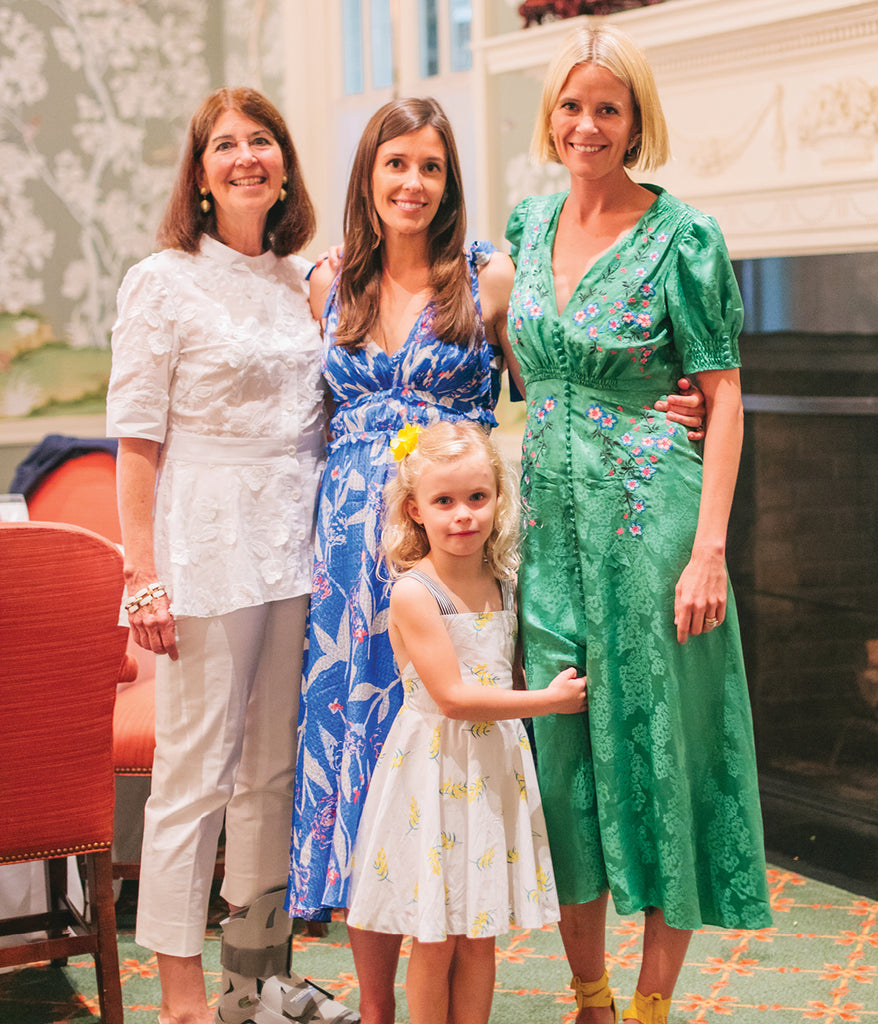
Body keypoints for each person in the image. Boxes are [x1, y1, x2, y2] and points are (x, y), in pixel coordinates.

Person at [286, 97, 707, 1024]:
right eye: (395, 163)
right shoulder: (326, 284)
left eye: (431, 166)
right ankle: (377, 1007)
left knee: (442, 773)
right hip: (350, 569)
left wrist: (680, 403)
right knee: (362, 773)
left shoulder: (489, 279)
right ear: (368, 176)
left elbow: (556, 378)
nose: (412, 182)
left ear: (451, 182)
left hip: (457, 558)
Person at [504, 24, 773, 1024]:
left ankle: (651, 1005)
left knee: (665, 749)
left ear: (635, 121)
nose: (587, 124)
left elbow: (724, 392)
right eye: (572, 105)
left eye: (607, 108)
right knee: (563, 757)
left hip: (652, 532)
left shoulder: (683, 235)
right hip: (546, 541)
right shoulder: (525, 227)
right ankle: (591, 995)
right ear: (552, 115)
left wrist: (709, 552)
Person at [107, 87, 354, 1024]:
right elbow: (135, 438)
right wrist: (142, 575)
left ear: (285, 165)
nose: (245, 155)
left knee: (272, 772)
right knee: (195, 774)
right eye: (224, 145)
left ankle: (254, 982)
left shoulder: (306, 280)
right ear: (200, 175)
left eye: (262, 141)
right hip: (206, 540)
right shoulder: (162, 279)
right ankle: (180, 998)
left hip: (300, 539)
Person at [345, 419, 587, 1024]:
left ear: (498, 499)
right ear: (414, 509)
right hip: (435, 771)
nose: (463, 516)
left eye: (477, 498)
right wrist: (548, 702)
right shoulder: (414, 594)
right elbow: (453, 697)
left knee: (479, 933)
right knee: (436, 936)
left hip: (491, 774)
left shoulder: (505, 584)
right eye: (444, 501)